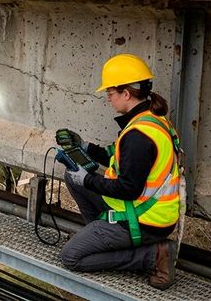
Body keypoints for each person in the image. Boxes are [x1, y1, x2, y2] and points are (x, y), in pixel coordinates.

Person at [56, 53, 181, 290]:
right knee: (72, 178)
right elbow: (118, 156)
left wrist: (88, 180)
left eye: (110, 93)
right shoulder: (150, 119)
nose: (108, 99)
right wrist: (84, 147)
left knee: (71, 257)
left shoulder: (138, 136)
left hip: (145, 220)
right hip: (145, 210)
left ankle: (152, 256)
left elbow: (128, 188)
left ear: (126, 93)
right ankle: (102, 239)